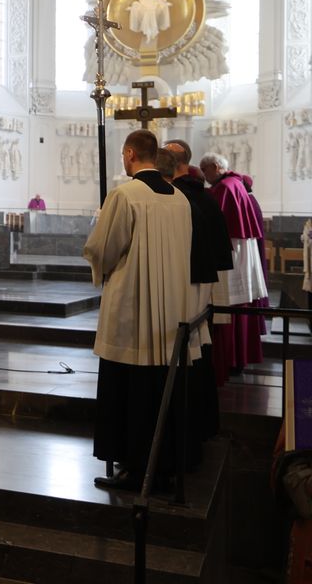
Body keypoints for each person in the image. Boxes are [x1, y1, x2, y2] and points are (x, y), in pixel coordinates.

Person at [84, 130, 194, 491]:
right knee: (158, 388)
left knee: (127, 389)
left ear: (130, 154)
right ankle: (163, 462)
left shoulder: (124, 195)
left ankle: (132, 466)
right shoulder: (179, 198)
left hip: (132, 308)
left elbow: (103, 248)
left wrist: (99, 265)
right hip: (170, 310)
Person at [156, 147, 227, 457]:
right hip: (200, 289)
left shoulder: (176, 199)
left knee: (184, 358)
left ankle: (181, 441)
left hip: (179, 291)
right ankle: (199, 430)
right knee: (197, 354)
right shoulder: (205, 197)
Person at [199, 153, 268, 385]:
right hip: (240, 254)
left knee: (228, 308)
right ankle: (238, 360)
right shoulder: (236, 184)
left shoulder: (224, 189)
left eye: (206, 170)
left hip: (231, 256)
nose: (205, 176)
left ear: (216, 167)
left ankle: (229, 360)